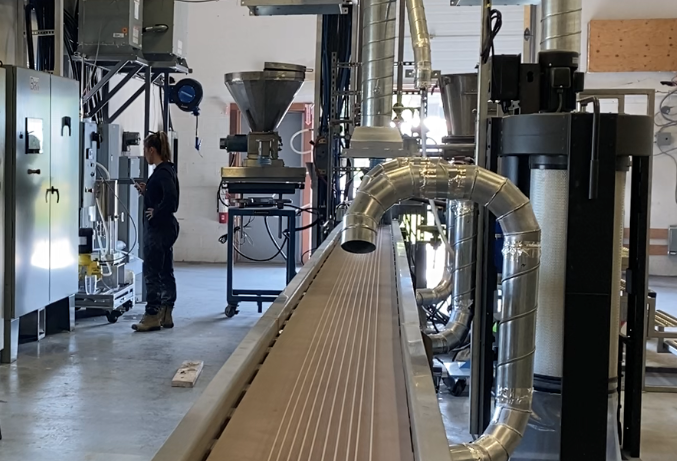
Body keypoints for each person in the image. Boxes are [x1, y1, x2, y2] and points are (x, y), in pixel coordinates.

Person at [132, 131, 180, 332]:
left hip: (158, 229)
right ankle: (166, 313)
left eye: (145, 151)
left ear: (152, 150)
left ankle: (152, 314)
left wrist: (156, 212)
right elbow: (164, 195)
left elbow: (172, 199)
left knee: (152, 271)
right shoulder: (167, 170)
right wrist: (147, 191)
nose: (145, 155)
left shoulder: (161, 173)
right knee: (165, 269)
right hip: (166, 228)